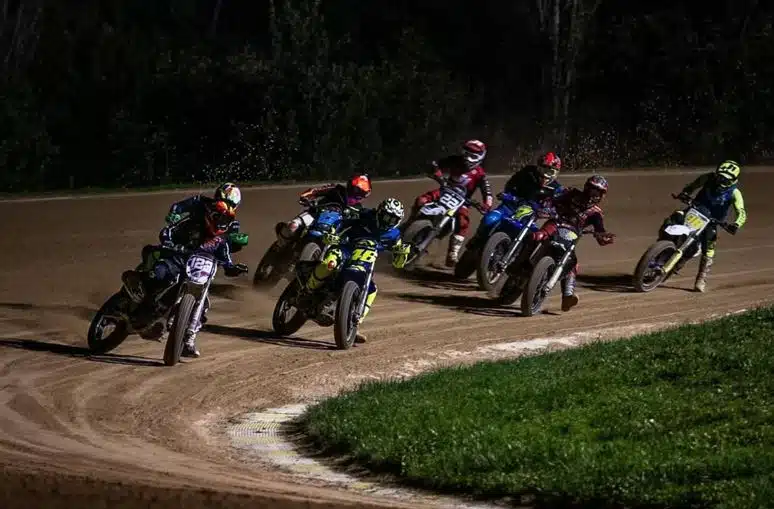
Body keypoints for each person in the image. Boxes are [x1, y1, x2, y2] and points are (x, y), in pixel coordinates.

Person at [121, 183, 249, 358]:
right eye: (222, 200)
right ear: (216, 196)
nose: (225, 207)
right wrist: (174, 215)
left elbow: (228, 245)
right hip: (179, 249)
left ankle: (187, 339)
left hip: (202, 262)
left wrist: (230, 264)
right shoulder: (200, 203)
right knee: (161, 273)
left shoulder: (231, 223)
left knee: (203, 305)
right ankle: (138, 283)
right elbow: (178, 208)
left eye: (231, 204)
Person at [303, 198, 410, 343]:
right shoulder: (365, 215)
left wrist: (402, 254)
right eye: (386, 216)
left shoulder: (395, 234)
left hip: (366, 262)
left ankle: (354, 323)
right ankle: (307, 290)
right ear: (379, 212)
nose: (388, 221)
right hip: (345, 249)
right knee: (330, 264)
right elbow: (342, 221)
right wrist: (333, 232)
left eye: (393, 219)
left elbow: (398, 264)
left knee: (372, 290)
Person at [531, 175, 616, 312]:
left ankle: (567, 295)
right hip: (555, 224)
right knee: (537, 236)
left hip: (571, 234)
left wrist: (603, 237)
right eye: (592, 190)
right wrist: (547, 207)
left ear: (602, 195)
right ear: (586, 187)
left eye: (598, 192)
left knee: (572, 262)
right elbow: (552, 200)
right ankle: (516, 257)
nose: (594, 194)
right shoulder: (571, 193)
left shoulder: (596, 213)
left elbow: (600, 230)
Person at [410, 140, 494, 266]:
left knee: (463, 222)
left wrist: (486, 205)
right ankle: (410, 224)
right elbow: (436, 164)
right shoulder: (455, 160)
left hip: (462, 201)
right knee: (421, 200)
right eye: (466, 153)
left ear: (480, 157)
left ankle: (453, 252)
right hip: (444, 191)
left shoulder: (480, 174)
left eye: (473, 156)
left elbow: (487, 191)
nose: (468, 158)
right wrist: (436, 172)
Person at [668, 160, 747, 292]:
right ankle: (661, 247)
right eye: (720, 177)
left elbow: (741, 211)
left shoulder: (735, 193)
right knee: (674, 218)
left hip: (712, 221)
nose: (721, 181)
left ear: (733, 180)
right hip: (695, 210)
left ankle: (701, 278)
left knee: (709, 245)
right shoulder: (707, 178)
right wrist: (685, 193)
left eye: (725, 180)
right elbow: (693, 185)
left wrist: (736, 224)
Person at [275, 174, 372, 248]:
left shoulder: (358, 209)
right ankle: (279, 247)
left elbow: (356, 226)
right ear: (349, 185)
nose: (356, 194)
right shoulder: (336, 189)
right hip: (315, 214)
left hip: (334, 231)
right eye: (355, 190)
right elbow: (315, 191)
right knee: (293, 226)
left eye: (361, 193)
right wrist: (306, 197)